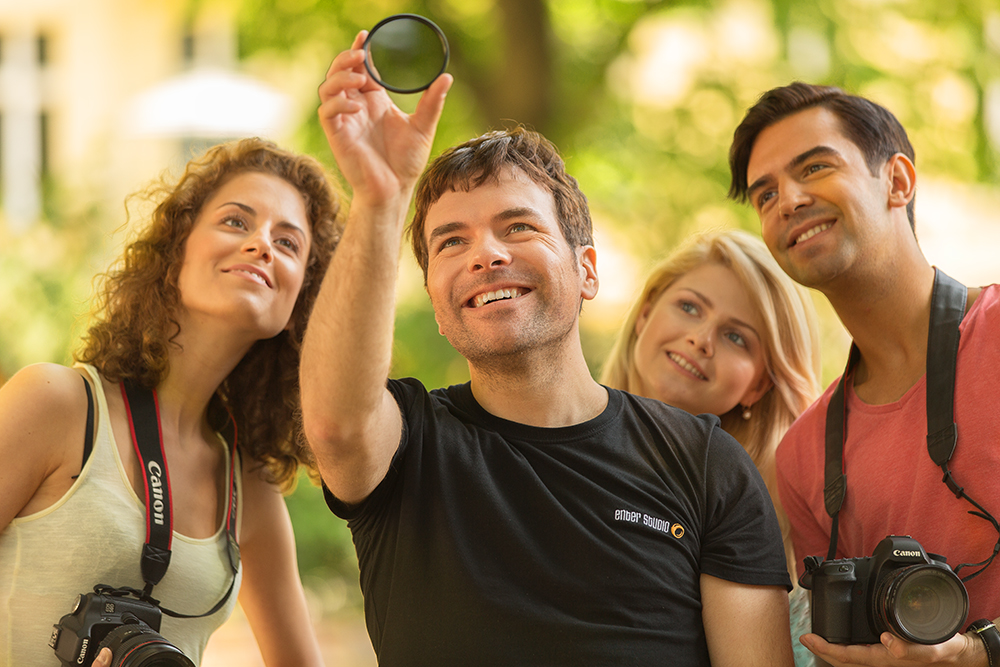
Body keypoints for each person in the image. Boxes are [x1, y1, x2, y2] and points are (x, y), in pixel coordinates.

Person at [300, 31, 794, 666]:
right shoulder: (411, 442)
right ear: (433, 293)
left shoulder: (705, 464)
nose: (487, 253)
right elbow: (335, 425)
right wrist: (380, 197)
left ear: (587, 270)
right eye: (451, 242)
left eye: (518, 226)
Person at [0, 138, 341, 667]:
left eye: (289, 242)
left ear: (302, 299)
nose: (262, 245)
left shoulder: (247, 487)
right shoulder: (56, 404)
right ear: (177, 246)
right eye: (235, 221)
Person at [728, 81, 1000, 667]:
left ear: (897, 181)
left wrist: (979, 653)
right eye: (765, 194)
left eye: (815, 167)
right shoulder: (804, 455)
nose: (789, 201)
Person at [600, 228, 822, 666]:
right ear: (645, 314)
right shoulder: (541, 436)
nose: (701, 339)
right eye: (689, 307)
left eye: (735, 337)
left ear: (758, 385)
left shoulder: (781, 539)